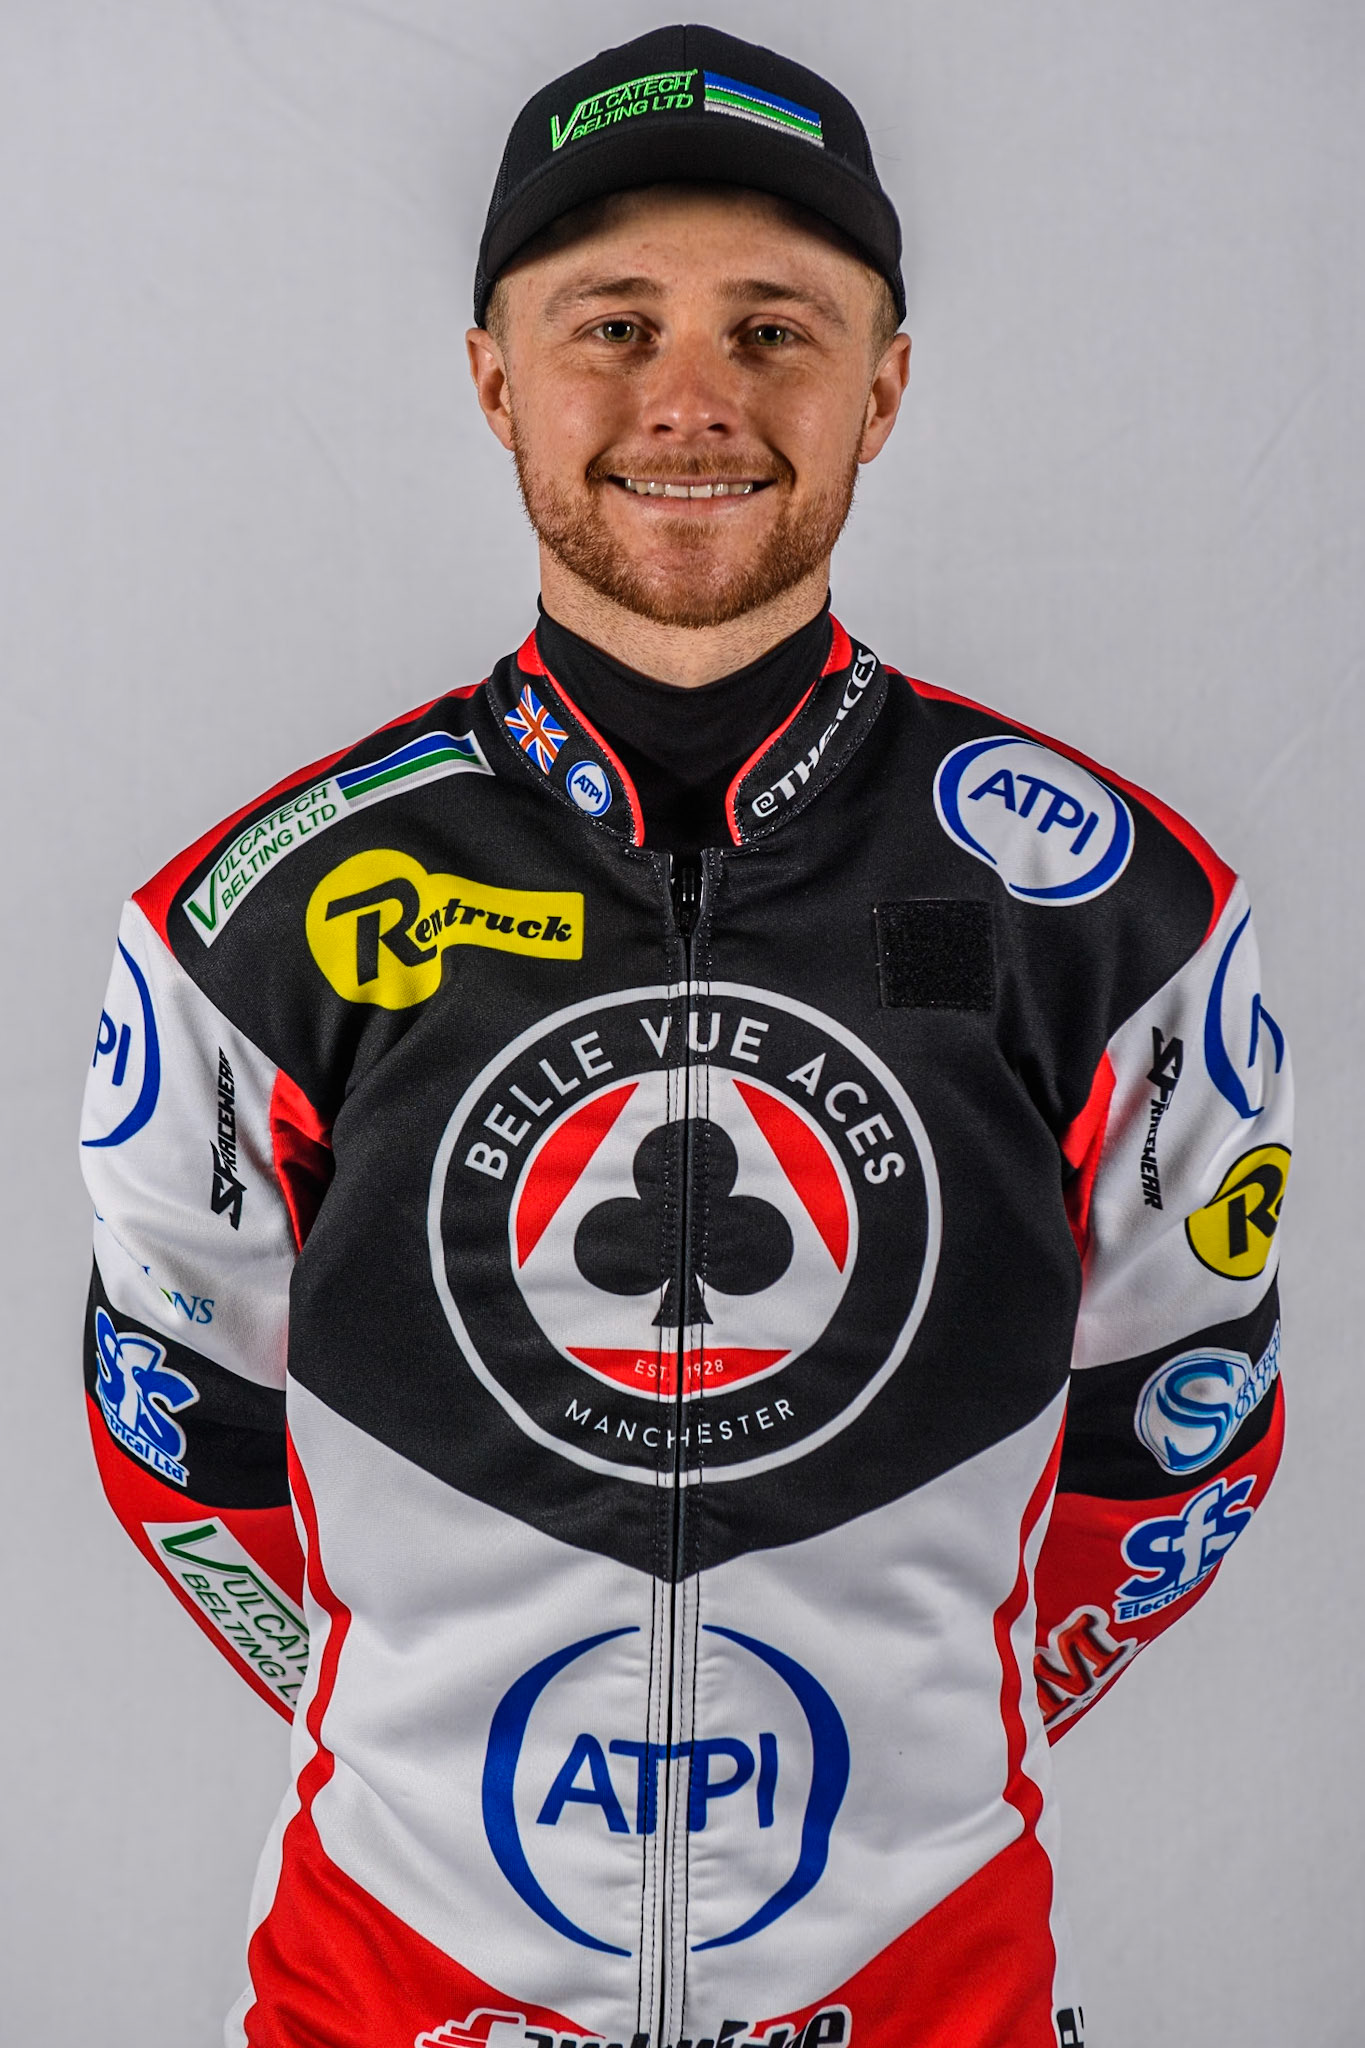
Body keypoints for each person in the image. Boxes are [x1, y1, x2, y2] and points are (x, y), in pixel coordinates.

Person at [78, 24, 1291, 2048]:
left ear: (882, 383)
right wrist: (444, 1752)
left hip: (928, 2002)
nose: (690, 398)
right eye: (611, 323)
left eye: (773, 327)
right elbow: (179, 1451)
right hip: (392, 1998)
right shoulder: (249, 921)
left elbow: (1178, 1446)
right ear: (492, 376)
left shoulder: (1117, 914)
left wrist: (899, 1760)